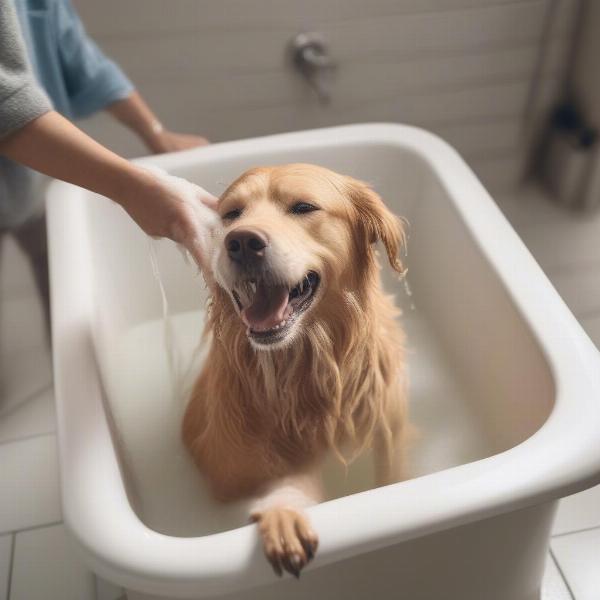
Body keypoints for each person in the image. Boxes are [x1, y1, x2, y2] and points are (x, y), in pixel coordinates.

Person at [1, 0, 213, 326]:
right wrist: (130, 188)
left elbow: (83, 61)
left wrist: (156, 133)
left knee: (65, 297)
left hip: (41, 181)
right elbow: (7, 102)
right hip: (34, 168)